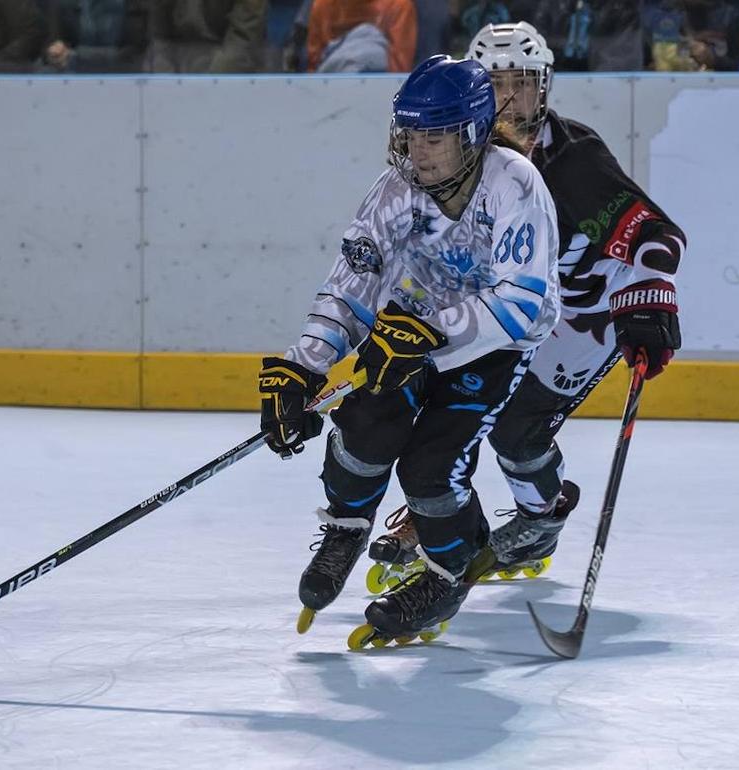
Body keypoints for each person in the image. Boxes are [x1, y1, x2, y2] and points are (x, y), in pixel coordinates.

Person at [366, 22, 686, 594]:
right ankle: (444, 510)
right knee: (443, 397)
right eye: (495, 85)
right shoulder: (455, 158)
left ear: (546, 87)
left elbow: (657, 235)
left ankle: (541, 517)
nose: (511, 100)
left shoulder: (573, 158)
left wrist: (649, 295)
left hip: (578, 316)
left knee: (516, 430)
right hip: (508, 305)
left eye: (523, 85)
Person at [258, 55, 562, 647]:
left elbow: (522, 302)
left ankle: (449, 572)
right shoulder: (394, 191)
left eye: (434, 136)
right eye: (410, 133)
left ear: (472, 133)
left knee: (430, 467)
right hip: (407, 334)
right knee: (364, 424)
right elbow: (352, 285)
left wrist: (434, 335)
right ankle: (346, 528)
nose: (417, 150)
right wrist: (304, 365)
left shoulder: (515, 183)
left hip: (491, 349)